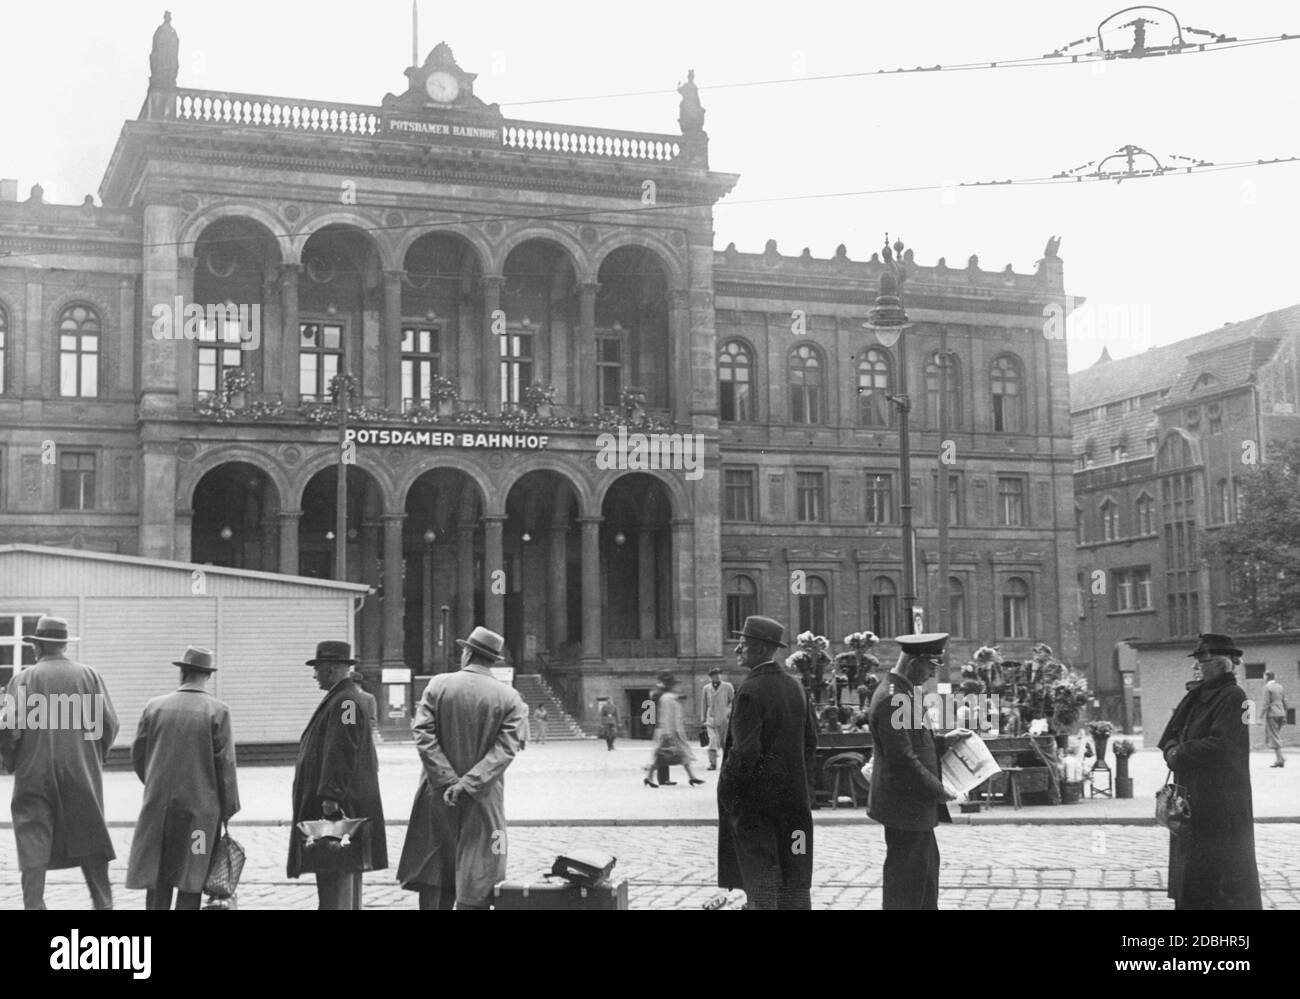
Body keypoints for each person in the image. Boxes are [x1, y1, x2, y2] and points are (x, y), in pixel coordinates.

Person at [397, 626, 526, 910]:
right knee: (480, 870)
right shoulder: (510, 698)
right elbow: (505, 750)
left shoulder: (438, 685)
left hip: (436, 793)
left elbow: (422, 734)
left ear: (467, 652)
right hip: (483, 798)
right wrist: (468, 785)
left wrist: (446, 781)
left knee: (434, 868)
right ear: (494, 660)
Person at [0, 616, 118, 910]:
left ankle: (35, 905)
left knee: (33, 840)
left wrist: (10, 760)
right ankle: (103, 904)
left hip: (34, 774)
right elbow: (109, 725)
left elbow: (9, 731)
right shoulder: (89, 676)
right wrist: (92, 756)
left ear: (37, 646)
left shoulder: (22, 680)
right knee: (91, 837)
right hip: (80, 771)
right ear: (64, 644)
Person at [126, 645, 239, 910]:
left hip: (158, 809)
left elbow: (138, 754)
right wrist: (228, 807)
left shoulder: (154, 707)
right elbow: (226, 765)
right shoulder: (218, 711)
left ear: (182, 673)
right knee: (193, 875)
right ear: (207, 675)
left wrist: (155, 782)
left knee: (158, 873)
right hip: (199, 816)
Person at [867, 632, 973, 910]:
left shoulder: (903, 692)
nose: (930, 675)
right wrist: (940, 790)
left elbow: (913, 741)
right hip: (906, 808)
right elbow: (902, 758)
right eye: (929, 667)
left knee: (924, 883)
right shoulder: (894, 697)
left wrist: (942, 741)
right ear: (914, 662)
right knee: (907, 888)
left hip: (913, 808)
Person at [717, 616, 817, 910]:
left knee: (761, 886)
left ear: (761, 650)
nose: (738, 650)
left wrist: (728, 793)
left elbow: (744, 753)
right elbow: (810, 743)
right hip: (794, 806)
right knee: (794, 881)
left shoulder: (749, 691)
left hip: (757, 810)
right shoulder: (795, 686)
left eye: (744, 645)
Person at [1158, 634, 1262, 909]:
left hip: (1221, 800)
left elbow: (1221, 745)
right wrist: (1171, 749)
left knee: (1222, 873)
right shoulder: (1195, 695)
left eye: (1202, 661)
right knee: (1192, 868)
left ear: (1222, 664)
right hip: (1192, 796)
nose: (1197, 668)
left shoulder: (1234, 697)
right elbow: (1170, 733)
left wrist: (1178, 753)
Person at [288, 641, 387, 910]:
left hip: (339, 806)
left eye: (317, 669)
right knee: (341, 870)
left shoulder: (345, 702)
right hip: (343, 801)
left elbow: (342, 749)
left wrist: (331, 797)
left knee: (337, 874)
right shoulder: (344, 698)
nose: (314, 675)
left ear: (331, 670)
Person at [644, 672, 704, 788]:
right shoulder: (667, 698)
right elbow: (666, 716)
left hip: (672, 731)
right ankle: (650, 777)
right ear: (670, 686)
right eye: (674, 685)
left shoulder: (669, 697)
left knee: (679, 754)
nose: (677, 687)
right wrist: (668, 733)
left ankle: (691, 777)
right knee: (662, 755)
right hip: (669, 732)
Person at [700, 667, 735, 771]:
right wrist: (703, 719)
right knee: (712, 742)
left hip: (725, 719)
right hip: (711, 720)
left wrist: (730, 713)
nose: (717, 676)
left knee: (725, 743)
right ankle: (713, 764)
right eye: (714, 675)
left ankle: (727, 764)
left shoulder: (728, 686)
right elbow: (704, 704)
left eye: (719, 674)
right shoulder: (706, 688)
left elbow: (733, 701)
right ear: (710, 677)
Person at [350, 667, 382, 743]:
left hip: (362, 736)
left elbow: (372, 719)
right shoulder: (345, 697)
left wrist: (366, 735)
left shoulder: (369, 698)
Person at [1264, 671, 1289, 767]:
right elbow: (1285, 701)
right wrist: (1285, 716)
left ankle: (1281, 758)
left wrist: (1260, 716)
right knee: (1276, 736)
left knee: (1274, 737)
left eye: (1264, 677)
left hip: (1272, 714)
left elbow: (1266, 703)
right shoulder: (1280, 687)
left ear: (1267, 677)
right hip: (1281, 713)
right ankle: (1279, 759)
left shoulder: (1267, 687)